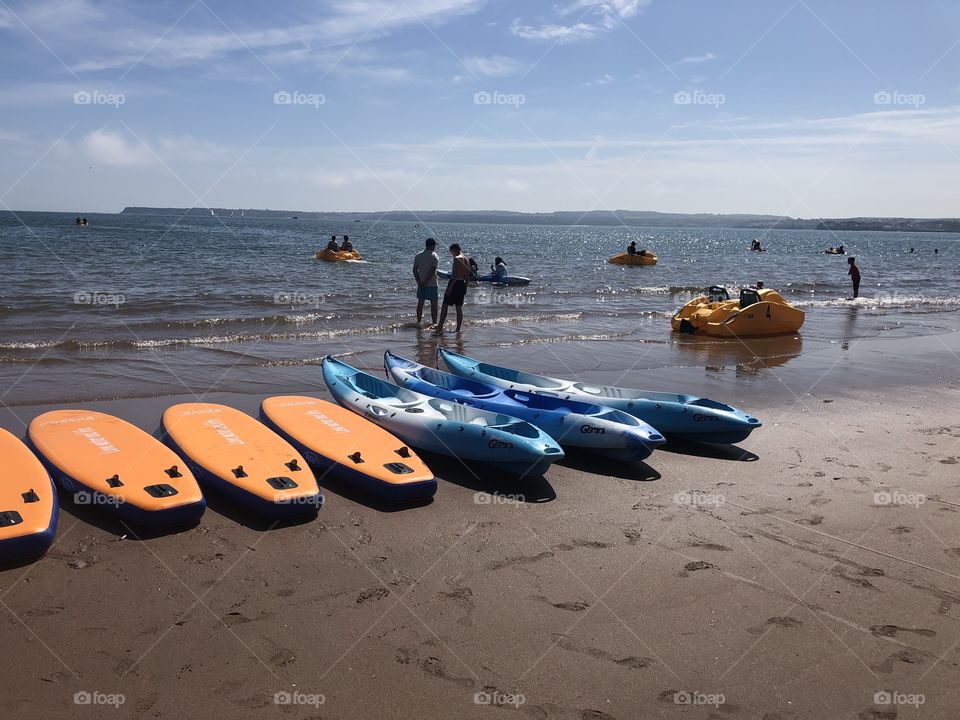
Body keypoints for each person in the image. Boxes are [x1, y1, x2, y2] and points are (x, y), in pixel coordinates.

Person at [435, 243, 469, 334]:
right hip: (462, 283)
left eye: (452, 252)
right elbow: (467, 275)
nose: (452, 254)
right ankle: (458, 329)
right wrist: (465, 286)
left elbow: (455, 275)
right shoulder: (466, 259)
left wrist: (450, 288)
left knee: (445, 305)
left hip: (455, 283)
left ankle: (440, 327)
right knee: (459, 307)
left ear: (455, 250)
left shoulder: (457, 259)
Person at [413, 238, 439, 325]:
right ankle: (434, 322)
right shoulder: (434, 256)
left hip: (421, 283)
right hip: (432, 283)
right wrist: (426, 281)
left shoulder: (418, 255)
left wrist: (419, 282)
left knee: (420, 304)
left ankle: (419, 321)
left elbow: (414, 270)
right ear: (432, 246)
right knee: (434, 305)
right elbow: (432, 271)